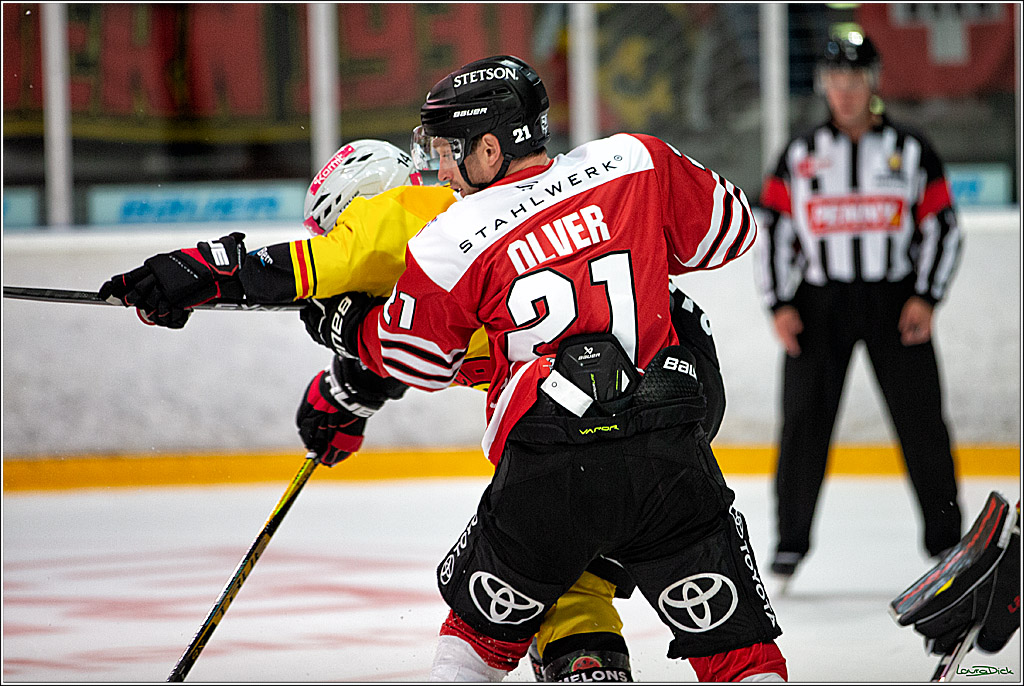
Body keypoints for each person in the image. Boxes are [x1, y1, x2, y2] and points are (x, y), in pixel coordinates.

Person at [97, 137, 730, 681]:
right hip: (672, 385)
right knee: (570, 569)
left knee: (548, 552)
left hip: (633, 388)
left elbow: (321, 265)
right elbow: (419, 346)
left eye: (336, 223)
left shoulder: (412, 213)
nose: (334, 237)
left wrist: (202, 270)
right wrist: (348, 391)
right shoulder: (451, 231)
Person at [300, 54, 786, 682]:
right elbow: (733, 231)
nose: (441, 169)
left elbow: (414, 351)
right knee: (732, 645)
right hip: (673, 414)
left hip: (557, 452)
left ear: (490, 148)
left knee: (504, 609)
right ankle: (591, 657)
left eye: (449, 150)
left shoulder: (453, 235)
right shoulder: (630, 161)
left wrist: (340, 331)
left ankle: (584, 654)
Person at [753, 32, 964, 581]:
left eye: (854, 81)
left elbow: (942, 226)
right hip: (818, 303)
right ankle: (790, 542)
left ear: (872, 83)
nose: (844, 92)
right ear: (824, 86)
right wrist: (779, 304)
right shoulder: (799, 155)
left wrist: (927, 295)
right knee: (802, 422)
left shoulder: (912, 150)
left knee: (922, 420)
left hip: (895, 301)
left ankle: (946, 539)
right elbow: (773, 232)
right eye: (834, 81)